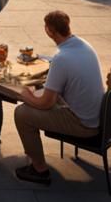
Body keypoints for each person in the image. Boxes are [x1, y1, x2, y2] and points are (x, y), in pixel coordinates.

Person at [13, 10, 103, 184]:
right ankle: (32, 150)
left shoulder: (61, 58)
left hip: (83, 124)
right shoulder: (84, 45)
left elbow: (46, 103)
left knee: (22, 113)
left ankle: (39, 169)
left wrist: (25, 95)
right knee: (40, 94)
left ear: (49, 31)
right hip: (96, 116)